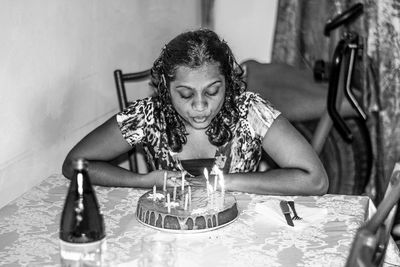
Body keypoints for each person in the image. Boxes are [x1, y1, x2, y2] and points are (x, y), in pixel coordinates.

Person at [62, 29, 328, 196]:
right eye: (186, 94)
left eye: (212, 91)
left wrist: (230, 182)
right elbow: (74, 165)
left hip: (238, 232)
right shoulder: (148, 116)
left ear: (229, 83)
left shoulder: (250, 111)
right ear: (166, 88)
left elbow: (315, 180)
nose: (200, 107)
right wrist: (142, 181)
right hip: (170, 236)